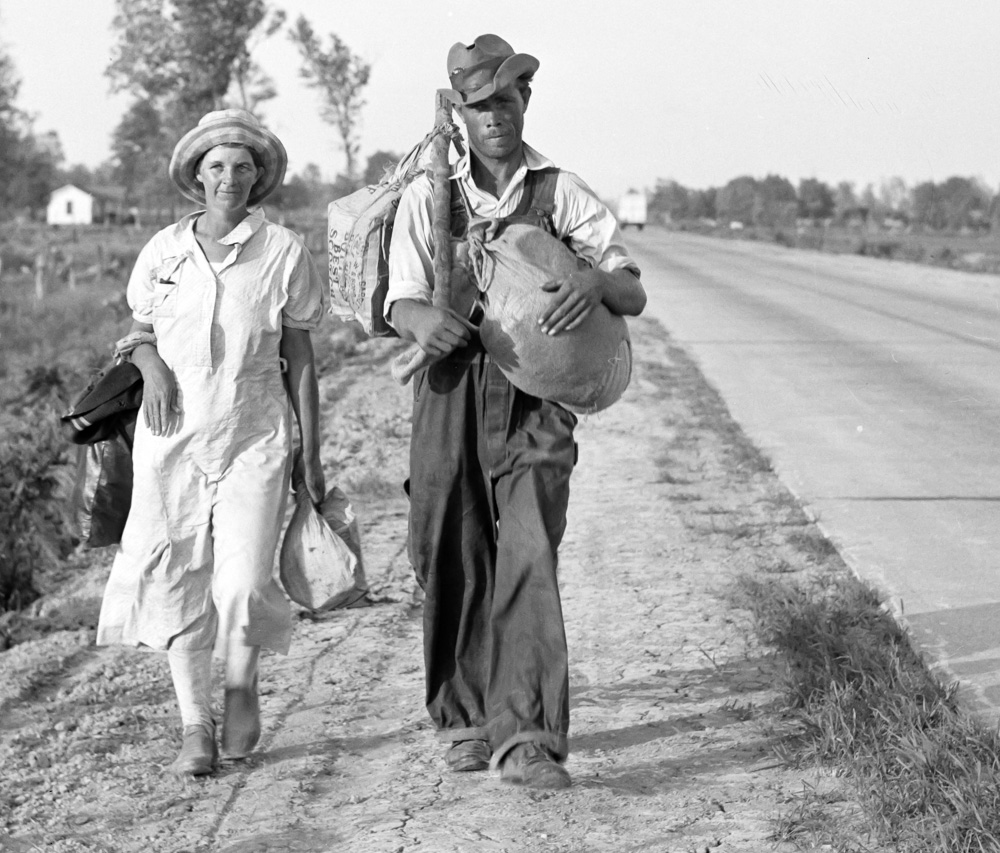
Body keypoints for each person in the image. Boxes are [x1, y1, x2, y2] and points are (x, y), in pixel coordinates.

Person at [386, 34, 647, 789]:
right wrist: (417, 320)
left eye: (506, 99)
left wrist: (596, 285)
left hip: (538, 399)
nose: (494, 115)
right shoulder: (427, 193)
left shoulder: (560, 190)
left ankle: (528, 734)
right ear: (458, 115)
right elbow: (399, 296)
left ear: (525, 101)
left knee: (529, 546)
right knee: (448, 545)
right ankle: (466, 717)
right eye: (478, 104)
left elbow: (631, 286)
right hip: (448, 390)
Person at [96, 109, 327, 777]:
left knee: (245, 578)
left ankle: (242, 682)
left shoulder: (282, 250)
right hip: (171, 440)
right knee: (178, 578)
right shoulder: (164, 251)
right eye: (217, 167)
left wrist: (311, 452)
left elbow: (301, 355)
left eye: (243, 167)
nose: (229, 178)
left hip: (255, 433)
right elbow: (138, 331)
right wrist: (152, 365)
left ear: (258, 180)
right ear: (197, 176)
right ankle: (196, 725)